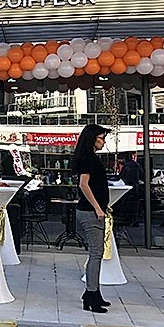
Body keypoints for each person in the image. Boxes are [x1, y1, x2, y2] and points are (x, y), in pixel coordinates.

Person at [71, 124, 112, 313]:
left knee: (97, 253)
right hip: (90, 212)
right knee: (96, 253)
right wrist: (97, 207)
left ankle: (94, 293)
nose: (104, 142)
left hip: (92, 211)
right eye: (101, 138)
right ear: (92, 139)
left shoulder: (89, 157)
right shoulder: (88, 158)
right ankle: (91, 293)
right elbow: (83, 184)